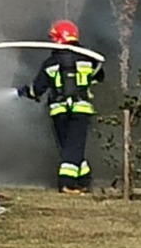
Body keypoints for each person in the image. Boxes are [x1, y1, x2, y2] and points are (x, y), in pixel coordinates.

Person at [19, 20, 99, 193]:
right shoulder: (88, 59)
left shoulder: (50, 63)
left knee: (69, 146)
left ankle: (76, 181)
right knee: (75, 146)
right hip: (81, 109)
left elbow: (37, 89)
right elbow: (99, 76)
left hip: (59, 111)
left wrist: (25, 92)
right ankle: (74, 182)